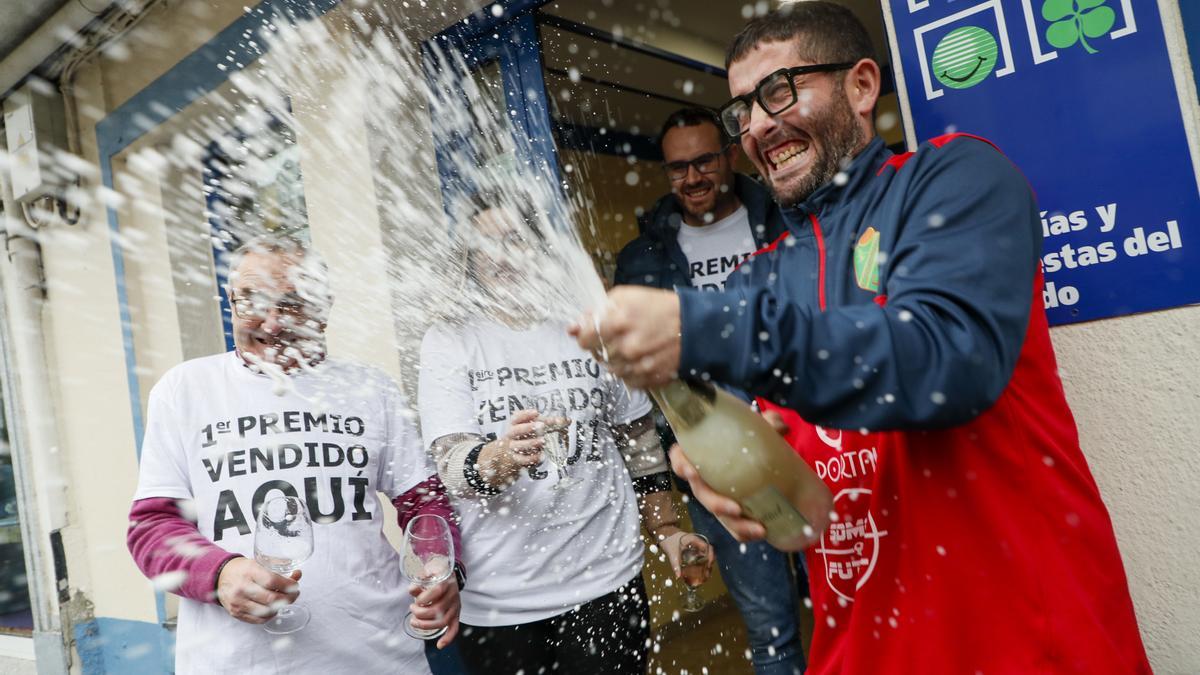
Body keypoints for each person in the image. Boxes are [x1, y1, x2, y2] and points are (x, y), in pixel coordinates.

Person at [572, 3, 1152, 674]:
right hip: (858, 652)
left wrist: (699, 324)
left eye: (778, 91)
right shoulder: (764, 273)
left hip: (1028, 643)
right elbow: (784, 445)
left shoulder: (954, 179)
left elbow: (945, 356)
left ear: (861, 85)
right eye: (742, 111)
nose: (758, 125)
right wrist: (717, 473)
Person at [127, 236, 463, 675]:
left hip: (379, 656)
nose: (269, 323)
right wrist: (220, 573)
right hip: (237, 662)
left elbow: (425, 504)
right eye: (251, 301)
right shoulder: (184, 390)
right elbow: (152, 529)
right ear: (231, 302)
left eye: (290, 304)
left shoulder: (371, 388)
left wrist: (441, 571)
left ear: (323, 310)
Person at [418, 193, 709, 675]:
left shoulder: (587, 323)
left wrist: (669, 530)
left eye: (515, 240)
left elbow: (636, 438)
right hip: (503, 603)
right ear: (468, 257)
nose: (501, 256)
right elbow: (453, 467)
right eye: (484, 244)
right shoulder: (451, 338)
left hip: (608, 581)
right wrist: (501, 457)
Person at [614, 107, 806, 675]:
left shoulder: (784, 220)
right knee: (771, 631)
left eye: (703, 161)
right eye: (677, 169)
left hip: (808, 445)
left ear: (728, 155)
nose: (692, 178)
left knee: (852, 597)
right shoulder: (642, 259)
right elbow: (646, 377)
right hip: (716, 463)